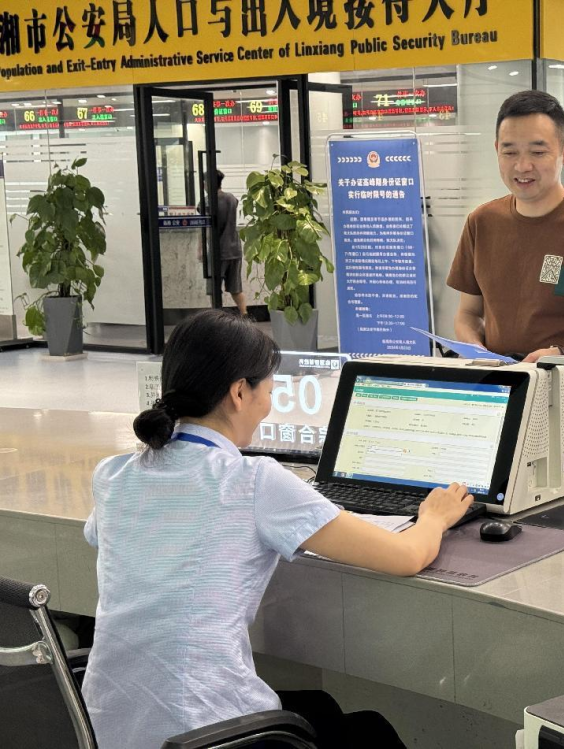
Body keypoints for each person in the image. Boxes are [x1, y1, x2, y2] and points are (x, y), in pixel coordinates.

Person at [81, 310, 472, 748]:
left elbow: (111, 535)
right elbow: (406, 556)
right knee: (370, 732)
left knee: (320, 706)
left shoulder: (113, 474)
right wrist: (434, 517)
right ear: (239, 393)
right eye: (269, 390)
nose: (269, 404)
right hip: (204, 730)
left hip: (107, 724)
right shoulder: (253, 481)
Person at [447, 90, 564, 454]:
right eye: (510, 152)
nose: (522, 167)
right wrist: (475, 348)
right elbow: (468, 314)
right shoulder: (481, 222)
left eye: (537, 152)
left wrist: (559, 354)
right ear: (497, 151)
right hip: (495, 405)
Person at [216, 170, 248, 316]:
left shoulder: (208, 201)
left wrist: (200, 248)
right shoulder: (231, 198)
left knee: (215, 288)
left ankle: (216, 318)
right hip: (235, 249)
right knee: (235, 288)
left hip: (220, 250)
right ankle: (245, 315)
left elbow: (207, 226)